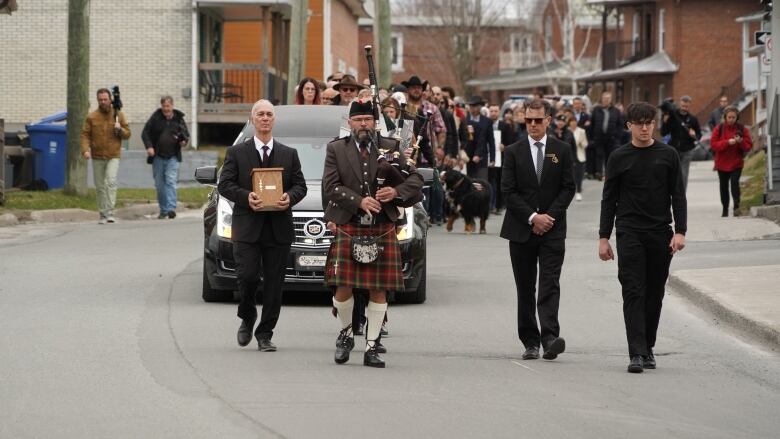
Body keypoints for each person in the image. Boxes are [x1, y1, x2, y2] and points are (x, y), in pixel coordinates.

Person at [323, 100, 423, 368]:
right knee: (343, 286)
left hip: (381, 226)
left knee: (380, 288)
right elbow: (330, 186)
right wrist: (359, 201)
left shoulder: (389, 148)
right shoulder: (336, 149)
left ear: (375, 122)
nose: (363, 124)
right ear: (350, 123)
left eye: (368, 119)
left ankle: (372, 345)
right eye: (358, 120)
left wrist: (395, 192)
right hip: (350, 222)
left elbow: (415, 179)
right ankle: (345, 334)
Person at [598, 101, 687, 374]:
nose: (645, 128)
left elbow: (678, 195)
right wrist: (604, 237)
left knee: (654, 293)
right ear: (629, 126)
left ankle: (648, 346)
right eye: (640, 123)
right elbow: (609, 199)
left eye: (649, 122)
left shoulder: (668, 155)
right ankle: (636, 353)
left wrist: (681, 231)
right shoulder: (618, 157)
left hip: (660, 232)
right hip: (629, 232)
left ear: (654, 124)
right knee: (633, 291)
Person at [217, 100, 308, 352]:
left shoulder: (289, 154)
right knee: (246, 277)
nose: (265, 118)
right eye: (260, 114)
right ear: (253, 119)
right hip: (247, 227)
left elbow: (300, 186)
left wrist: (289, 197)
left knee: (274, 284)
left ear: (274, 120)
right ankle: (247, 317)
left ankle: (265, 333)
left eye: (269, 114)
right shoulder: (236, 153)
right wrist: (247, 197)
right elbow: (224, 184)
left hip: (278, 229)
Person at [500, 98, 575, 361]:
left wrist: (549, 217)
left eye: (537, 120)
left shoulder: (563, 149)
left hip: (553, 230)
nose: (532, 125)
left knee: (549, 284)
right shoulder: (512, 151)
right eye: (528, 120)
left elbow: (569, 187)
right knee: (525, 287)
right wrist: (533, 217)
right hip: (521, 230)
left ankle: (550, 338)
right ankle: (530, 341)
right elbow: (508, 191)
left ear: (548, 120)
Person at [80, 87, 132, 224]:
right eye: (100, 100)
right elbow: (85, 134)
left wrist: (120, 129)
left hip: (113, 154)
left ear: (110, 100)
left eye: (105, 99)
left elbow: (128, 134)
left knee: (110, 181)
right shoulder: (92, 117)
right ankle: (102, 213)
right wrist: (85, 149)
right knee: (100, 186)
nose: (103, 102)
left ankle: (110, 211)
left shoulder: (118, 115)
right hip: (97, 155)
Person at [141, 96, 190, 219]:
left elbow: (185, 136)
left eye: (168, 106)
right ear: (161, 106)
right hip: (158, 156)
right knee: (159, 184)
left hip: (173, 157)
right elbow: (145, 133)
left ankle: (171, 208)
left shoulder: (178, 118)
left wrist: (183, 142)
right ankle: (163, 210)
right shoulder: (156, 117)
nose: (166, 109)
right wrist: (149, 147)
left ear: (172, 106)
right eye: (164, 106)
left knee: (170, 181)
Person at [710, 106, 753, 217]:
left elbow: (748, 147)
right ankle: (725, 208)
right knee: (723, 186)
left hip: (736, 163)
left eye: (733, 117)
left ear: (737, 117)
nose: (731, 119)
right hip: (722, 163)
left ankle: (736, 207)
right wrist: (727, 142)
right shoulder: (719, 129)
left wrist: (740, 141)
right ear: (725, 117)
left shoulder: (742, 129)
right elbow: (713, 145)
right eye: (729, 117)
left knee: (734, 184)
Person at [660, 95, 702, 190]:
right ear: (680, 104)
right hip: (674, 149)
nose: (684, 108)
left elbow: (699, 135)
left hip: (687, 150)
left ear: (689, 106)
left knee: (684, 174)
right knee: (672, 173)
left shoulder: (693, 119)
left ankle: (681, 195)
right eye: (683, 106)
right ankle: (672, 191)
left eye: (686, 107)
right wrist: (665, 121)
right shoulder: (673, 116)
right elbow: (663, 132)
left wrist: (694, 134)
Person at [587, 91, 623, 180]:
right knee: (599, 155)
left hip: (611, 138)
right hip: (598, 138)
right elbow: (592, 124)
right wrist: (590, 137)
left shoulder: (616, 111)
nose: (606, 100)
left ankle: (608, 174)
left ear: (611, 100)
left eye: (608, 98)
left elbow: (620, 125)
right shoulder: (596, 110)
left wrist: (617, 136)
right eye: (604, 98)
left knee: (609, 156)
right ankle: (599, 173)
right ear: (602, 99)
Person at [459, 95, 495, 181]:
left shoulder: (487, 121)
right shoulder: (464, 120)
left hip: (482, 158)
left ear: (480, 107)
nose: (472, 108)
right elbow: (461, 138)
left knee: (482, 183)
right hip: (468, 158)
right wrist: (461, 156)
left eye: (475, 106)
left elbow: (491, 141)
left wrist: (493, 158)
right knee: (470, 183)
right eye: (471, 106)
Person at [567, 117, 588, 201]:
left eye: (575, 121)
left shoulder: (581, 131)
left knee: (579, 175)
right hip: (569, 156)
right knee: (570, 176)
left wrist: (581, 142)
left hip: (579, 155)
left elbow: (585, 144)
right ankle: (570, 192)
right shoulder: (567, 131)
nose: (573, 123)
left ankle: (578, 191)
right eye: (572, 121)